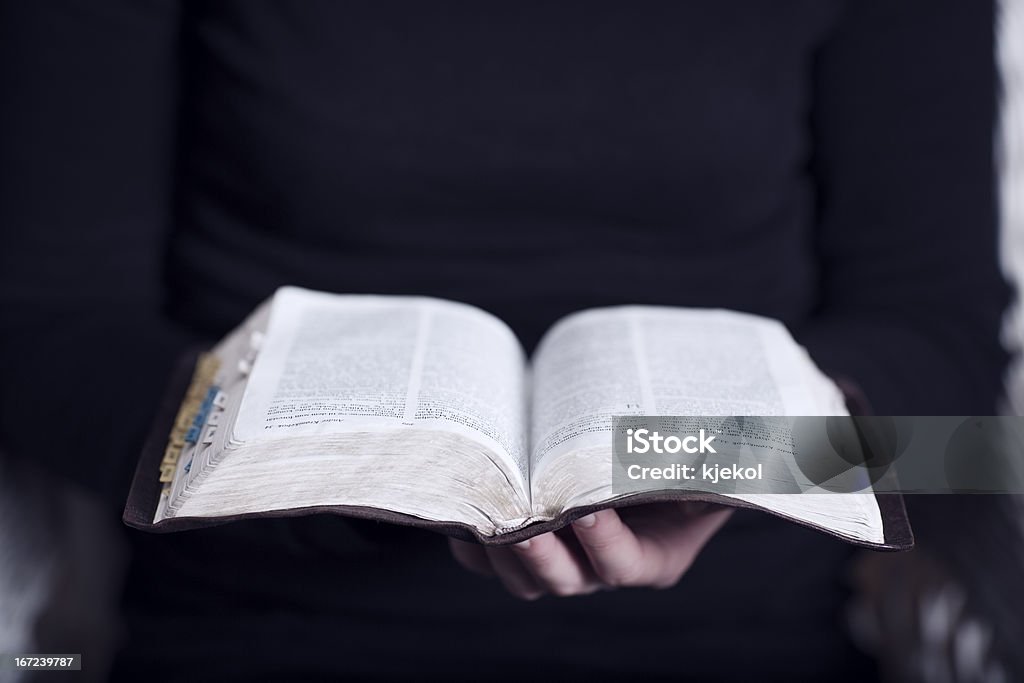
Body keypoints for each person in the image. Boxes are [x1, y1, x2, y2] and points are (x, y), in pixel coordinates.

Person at [0, 1, 1009, 680]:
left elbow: (957, 396)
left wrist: (746, 464)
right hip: (259, 628)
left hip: (745, 638)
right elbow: (46, 328)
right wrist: (339, 473)